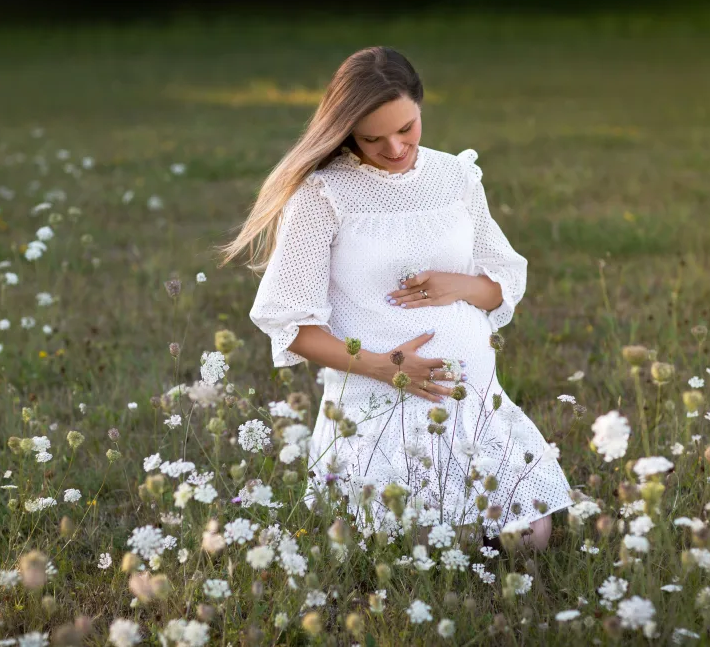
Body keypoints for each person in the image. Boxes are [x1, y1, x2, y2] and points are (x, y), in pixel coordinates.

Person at [219, 46, 573, 550]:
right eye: (372, 138)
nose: (395, 147)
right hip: (381, 405)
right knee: (424, 544)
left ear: (421, 107)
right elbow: (291, 325)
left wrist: (462, 285)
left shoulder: (455, 177)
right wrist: (384, 366)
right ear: (344, 132)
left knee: (532, 537)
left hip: (471, 405)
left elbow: (502, 283)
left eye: (406, 128)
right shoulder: (324, 195)